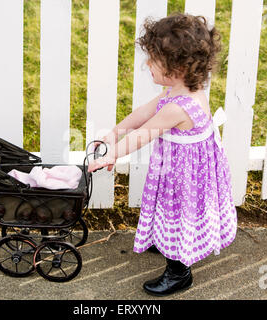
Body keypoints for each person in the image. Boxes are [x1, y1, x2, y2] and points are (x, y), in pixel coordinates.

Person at [87, 12, 237, 296]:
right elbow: (144, 113)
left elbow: (144, 134)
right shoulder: (179, 91)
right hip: (183, 168)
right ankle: (167, 241)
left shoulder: (178, 107)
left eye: (153, 60)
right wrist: (115, 132)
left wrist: (111, 155)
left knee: (177, 213)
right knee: (169, 213)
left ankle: (179, 272)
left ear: (177, 67)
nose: (147, 64)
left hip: (183, 178)